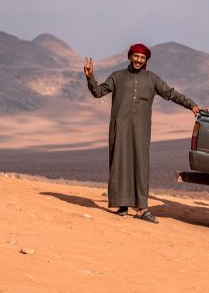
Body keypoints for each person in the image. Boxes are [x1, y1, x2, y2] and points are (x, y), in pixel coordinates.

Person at [84, 43, 199, 223]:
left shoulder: (151, 79)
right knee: (119, 164)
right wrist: (90, 77)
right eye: (136, 56)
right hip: (120, 128)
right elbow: (98, 92)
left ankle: (142, 208)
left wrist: (190, 104)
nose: (138, 60)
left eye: (142, 58)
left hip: (141, 130)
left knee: (141, 166)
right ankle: (121, 205)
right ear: (130, 56)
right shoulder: (118, 77)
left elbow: (170, 93)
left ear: (146, 60)